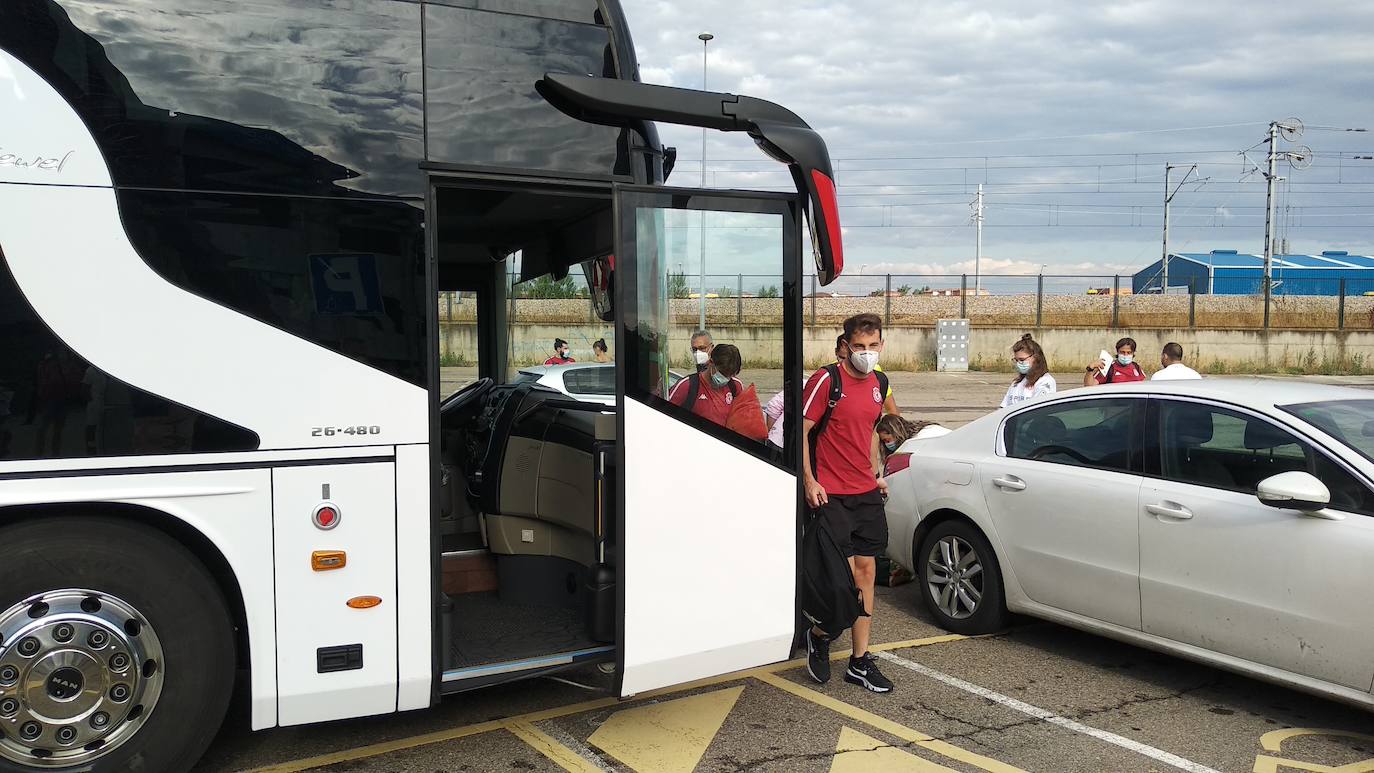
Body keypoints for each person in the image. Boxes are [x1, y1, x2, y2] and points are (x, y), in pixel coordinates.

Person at [802, 313, 894, 695]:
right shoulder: (827, 380)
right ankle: (821, 633)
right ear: (846, 345)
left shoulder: (881, 383)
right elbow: (801, 432)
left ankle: (859, 660)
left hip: (864, 491)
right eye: (859, 347)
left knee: (867, 572)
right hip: (831, 492)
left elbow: (876, 431)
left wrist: (878, 471)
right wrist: (810, 480)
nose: (867, 354)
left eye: (873, 347)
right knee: (839, 581)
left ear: (882, 347)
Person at [667, 343, 744, 427]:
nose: (727, 378)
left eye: (731, 375)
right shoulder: (687, 386)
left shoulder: (736, 386)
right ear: (710, 362)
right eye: (723, 374)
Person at [1001, 334, 1056, 408]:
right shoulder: (1017, 383)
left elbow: (1038, 410)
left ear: (1036, 357)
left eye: (1022, 360)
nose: (1018, 363)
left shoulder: (1045, 382)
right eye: (1016, 360)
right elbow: (1003, 407)